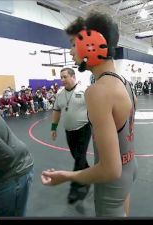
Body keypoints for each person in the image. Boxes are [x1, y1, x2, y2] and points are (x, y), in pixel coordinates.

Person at [41, 11, 137, 217]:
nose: (71, 51)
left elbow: (111, 169)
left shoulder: (98, 91)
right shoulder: (125, 83)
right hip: (130, 167)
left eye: (73, 44)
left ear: (92, 44)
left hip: (112, 183)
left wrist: (66, 176)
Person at [51, 67, 92, 204]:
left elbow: (95, 109)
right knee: (77, 157)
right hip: (69, 131)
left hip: (84, 129)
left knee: (79, 158)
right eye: (61, 77)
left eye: (65, 77)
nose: (62, 80)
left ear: (73, 77)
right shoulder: (60, 94)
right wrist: (53, 128)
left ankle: (75, 188)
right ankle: (89, 173)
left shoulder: (84, 90)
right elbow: (56, 111)